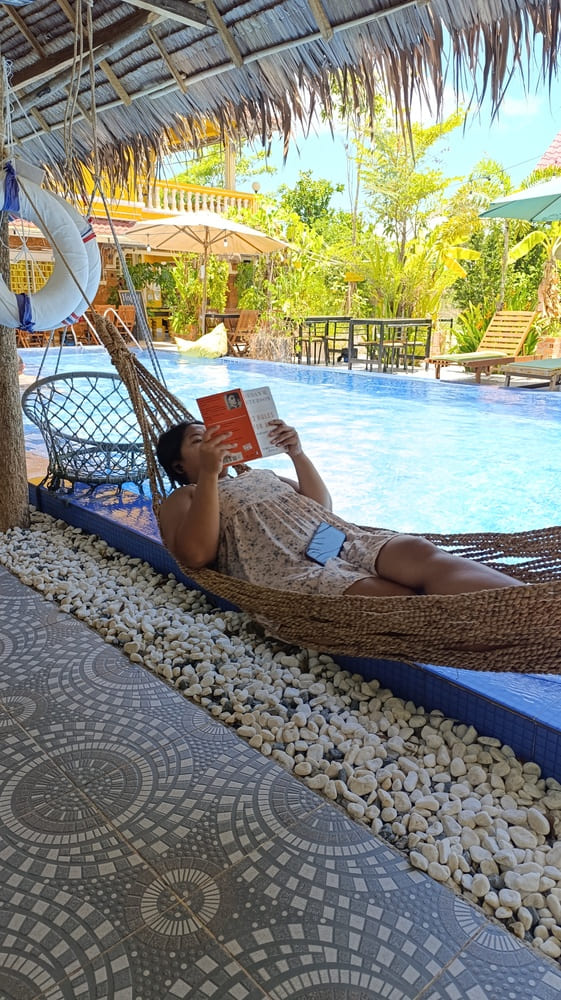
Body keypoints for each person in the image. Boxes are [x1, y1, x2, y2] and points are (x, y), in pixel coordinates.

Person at [156, 419, 523, 597]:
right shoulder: (185, 496)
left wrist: (295, 452)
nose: (212, 444)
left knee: (419, 552)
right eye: (200, 441)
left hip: (334, 537)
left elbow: (320, 505)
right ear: (178, 465)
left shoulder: (257, 474)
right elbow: (195, 554)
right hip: (290, 567)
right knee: (394, 600)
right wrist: (208, 474)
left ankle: (532, 603)